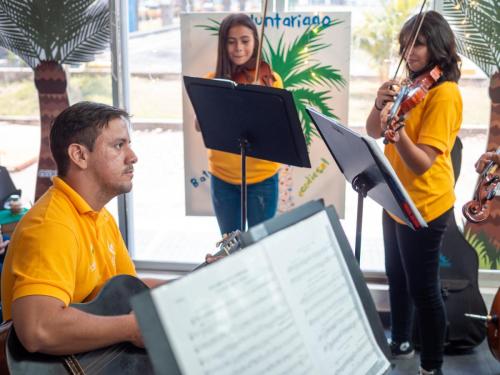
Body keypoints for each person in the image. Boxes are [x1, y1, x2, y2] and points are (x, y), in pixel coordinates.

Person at [0, 101, 165, 355]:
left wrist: (194, 283)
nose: (133, 156)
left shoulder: (100, 216)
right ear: (79, 155)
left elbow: (127, 291)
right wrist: (131, 329)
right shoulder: (51, 226)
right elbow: (38, 329)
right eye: (119, 145)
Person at [365, 11, 462, 375]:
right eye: (405, 45)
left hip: (424, 206)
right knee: (397, 275)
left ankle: (431, 366)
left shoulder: (445, 94)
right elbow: (373, 130)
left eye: (418, 44)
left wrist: (399, 133)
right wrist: (379, 105)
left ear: (437, 47)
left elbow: (422, 162)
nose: (409, 52)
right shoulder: (410, 84)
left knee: (424, 289)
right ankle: (401, 341)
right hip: (395, 197)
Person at [198, 13, 283, 235]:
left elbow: (277, 127)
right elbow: (200, 126)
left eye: (245, 40)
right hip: (223, 177)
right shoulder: (211, 81)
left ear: (255, 41)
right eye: (231, 41)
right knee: (230, 245)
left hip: (262, 177)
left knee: (260, 245)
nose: (239, 48)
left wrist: (261, 97)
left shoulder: (270, 80)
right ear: (223, 45)